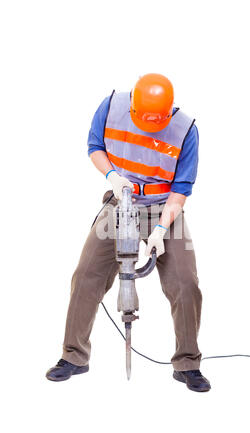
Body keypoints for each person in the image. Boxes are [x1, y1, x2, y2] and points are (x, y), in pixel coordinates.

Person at [46, 73, 210, 392]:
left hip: (164, 208)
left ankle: (188, 364)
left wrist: (161, 230)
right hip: (119, 202)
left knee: (185, 282)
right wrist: (112, 176)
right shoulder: (111, 107)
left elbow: (182, 188)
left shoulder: (186, 129)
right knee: (86, 274)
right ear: (133, 105)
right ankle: (73, 357)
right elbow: (95, 146)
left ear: (168, 111)